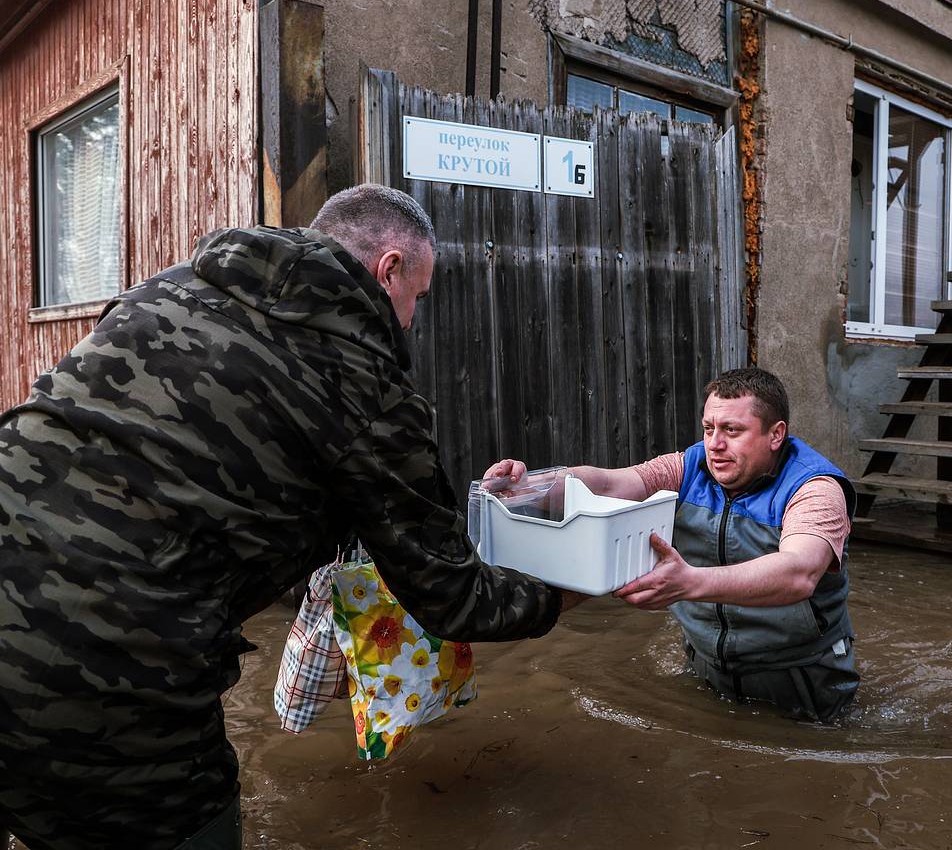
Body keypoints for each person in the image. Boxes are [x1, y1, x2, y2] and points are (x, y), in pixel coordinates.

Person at [0, 184, 584, 850]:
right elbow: (453, 599)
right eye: (417, 297)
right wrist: (581, 588)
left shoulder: (162, 291)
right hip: (107, 657)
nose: (413, 318)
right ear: (390, 267)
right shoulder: (366, 385)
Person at [485, 368, 858, 722]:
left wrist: (690, 583)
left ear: (776, 435)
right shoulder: (689, 466)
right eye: (709, 428)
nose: (715, 445)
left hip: (801, 679)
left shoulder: (815, 488)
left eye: (732, 430)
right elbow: (611, 484)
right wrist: (534, 486)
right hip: (707, 667)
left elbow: (799, 573)